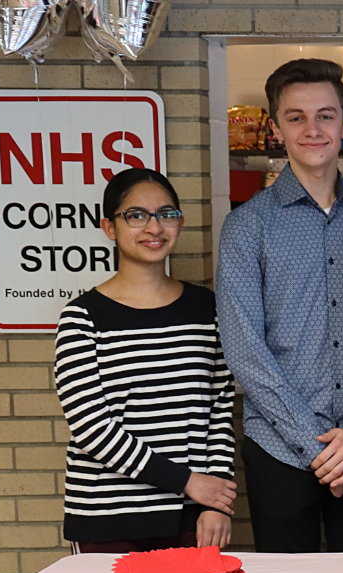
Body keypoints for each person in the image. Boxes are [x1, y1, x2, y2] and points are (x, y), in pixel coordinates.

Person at [217, 58, 343, 552]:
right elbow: (243, 349)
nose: (312, 128)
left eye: (325, 115)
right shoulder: (246, 227)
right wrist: (319, 447)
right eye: (296, 117)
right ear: (276, 128)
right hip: (279, 448)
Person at [56, 169, 236, 553]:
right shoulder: (82, 317)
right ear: (109, 226)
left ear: (179, 223)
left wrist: (216, 498)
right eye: (136, 215)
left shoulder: (207, 309)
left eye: (166, 214)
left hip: (191, 517)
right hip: (107, 516)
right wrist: (189, 481)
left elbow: (220, 408)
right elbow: (91, 428)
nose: (153, 227)